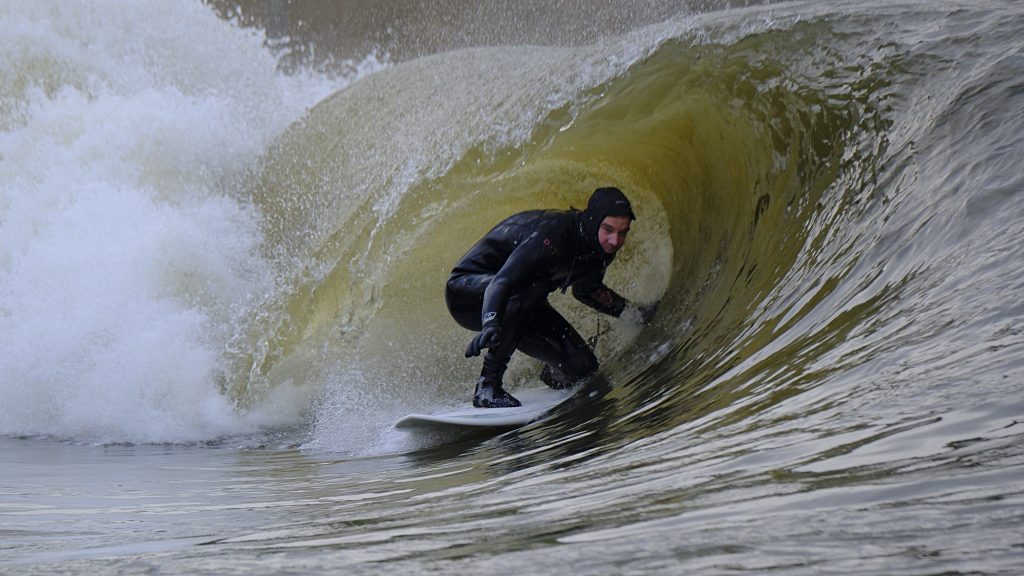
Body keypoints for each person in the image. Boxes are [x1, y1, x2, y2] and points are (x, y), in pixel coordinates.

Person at [445, 186, 654, 408]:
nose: (615, 240)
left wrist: (634, 314)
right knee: (533, 285)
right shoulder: (554, 233)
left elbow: (587, 291)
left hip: (521, 304)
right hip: (469, 292)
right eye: (609, 229)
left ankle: (553, 372)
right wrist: (490, 322)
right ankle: (488, 386)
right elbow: (503, 282)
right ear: (593, 221)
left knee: (583, 367)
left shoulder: (599, 247)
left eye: (623, 232)